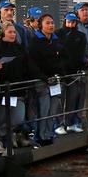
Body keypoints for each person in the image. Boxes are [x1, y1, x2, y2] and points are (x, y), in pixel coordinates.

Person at [0, 20, 38, 153]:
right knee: (4, 117)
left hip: (19, 89)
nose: (13, 34)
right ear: (3, 33)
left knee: (17, 117)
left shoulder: (20, 48)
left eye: (14, 32)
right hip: (4, 89)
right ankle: (5, 140)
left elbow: (28, 66)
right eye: (10, 32)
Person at [28, 13, 65, 143]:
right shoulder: (35, 41)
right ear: (41, 25)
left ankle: (49, 134)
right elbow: (32, 62)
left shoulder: (56, 40)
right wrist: (43, 77)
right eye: (47, 23)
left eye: (52, 23)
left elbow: (61, 59)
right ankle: (41, 136)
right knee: (43, 109)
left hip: (55, 80)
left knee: (53, 109)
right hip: (42, 81)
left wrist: (60, 74)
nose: (51, 25)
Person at [56, 11, 88, 133]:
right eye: (69, 21)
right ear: (65, 21)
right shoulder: (57, 34)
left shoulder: (80, 36)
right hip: (60, 72)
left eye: (73, 22)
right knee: (59, 99)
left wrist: (82, 66)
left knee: (73, 99)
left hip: (74, 71)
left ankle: (71, 122)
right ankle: (58, 124)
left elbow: (81, 54)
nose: (71, 24)